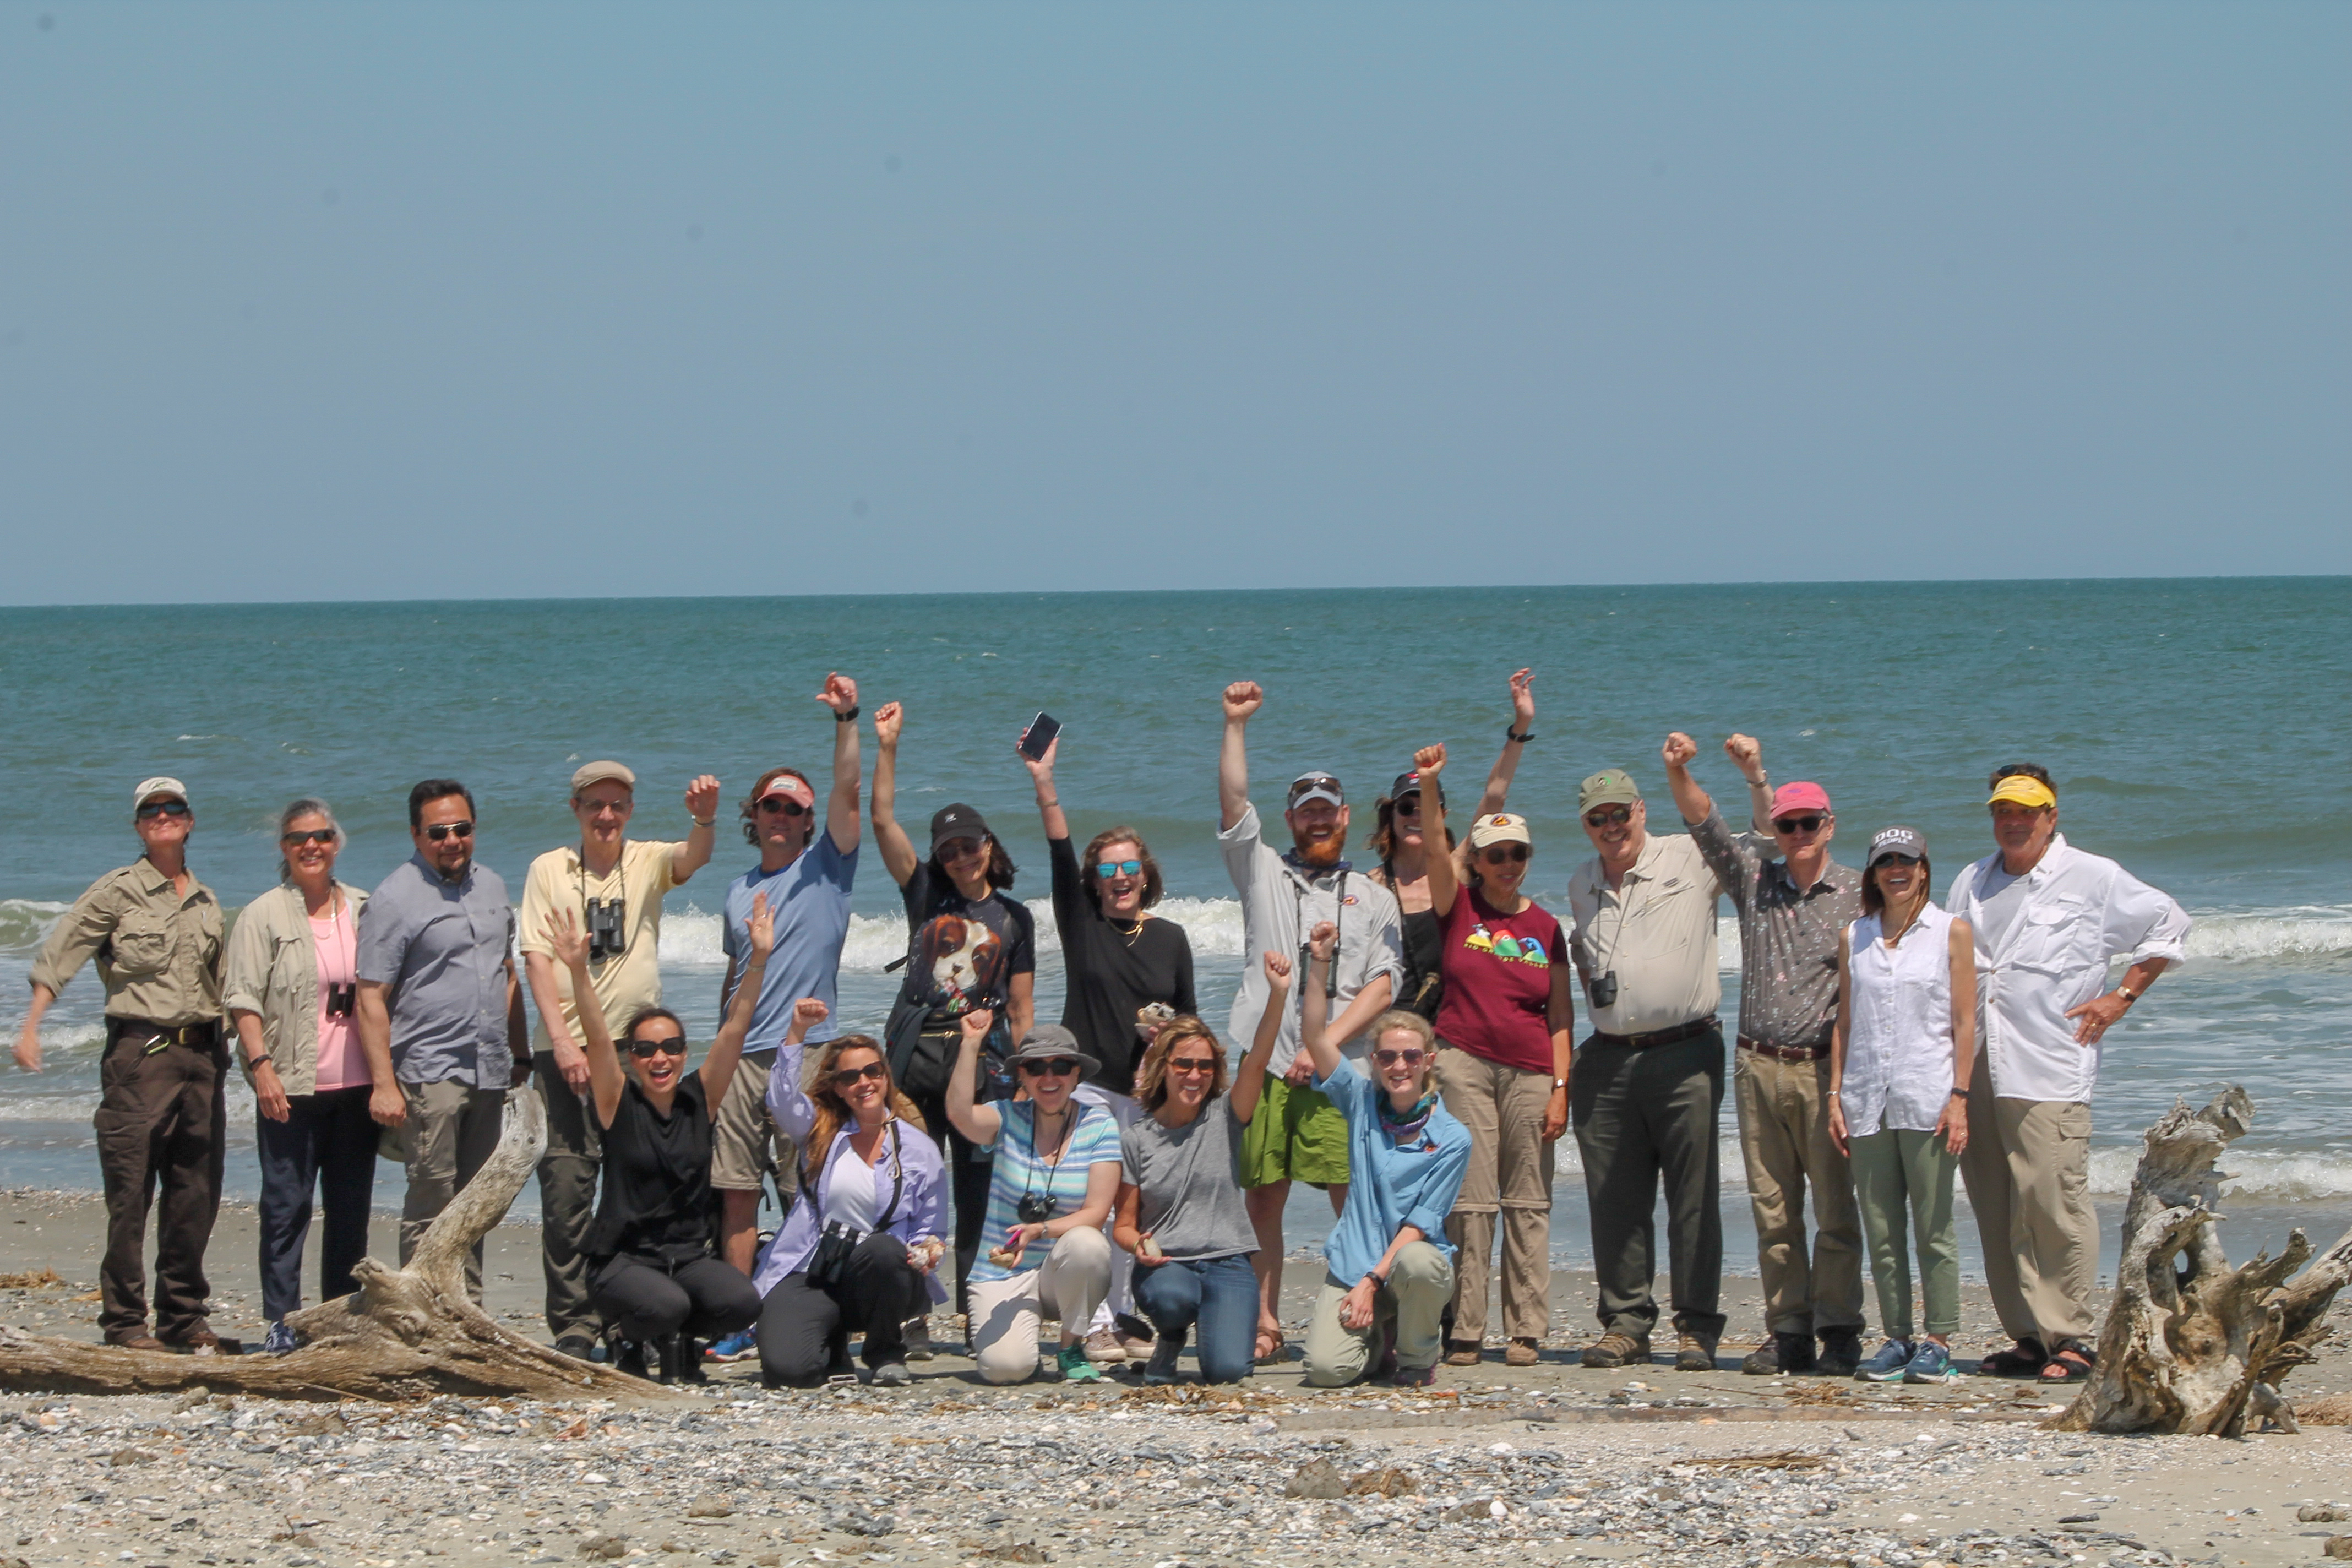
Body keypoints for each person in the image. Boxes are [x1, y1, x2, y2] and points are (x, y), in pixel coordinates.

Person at [1946, 766, 2190, 1384]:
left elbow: (2170, 926)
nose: (2014, 820)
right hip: (1975, 1065)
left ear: (2052, 816)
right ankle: (2027, 1335)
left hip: (2048, 1062)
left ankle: (2072, 1335)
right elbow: (1946, 968)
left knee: (2054, 1199)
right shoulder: (1970, 880)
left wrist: (2122, 997)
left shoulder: (2093, 876)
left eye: (2028, 810)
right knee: (1996, 1202)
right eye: (2004, 809)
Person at [1664, 731, 1866, 1378]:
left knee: (1835, 1210)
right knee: (1773, 1211)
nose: (1799, 832)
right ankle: (1789, 1330)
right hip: (1757, 1065)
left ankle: (1839, 1329)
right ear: (1775, 830)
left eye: (1809, 822)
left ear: (1829, 826)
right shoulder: (1755, 881)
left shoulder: (1859, 894)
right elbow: (1704, 823)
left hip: (1822, 1070)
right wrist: (1678, 771)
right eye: (1788, 824)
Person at [1217, 679, 1405, 1365]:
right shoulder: (1262, 870)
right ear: (1291, 819)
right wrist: (1235, 725)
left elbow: (1385, 985)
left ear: (1347, 817)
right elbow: (1235, 804)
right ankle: (1265, 1322)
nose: (1317, 822)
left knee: (1350, 1195)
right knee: (1261, 1196)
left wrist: (1321, 1044)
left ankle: (1372, 1319)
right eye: (1305, 813)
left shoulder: (1372, 894)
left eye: (1327, 811)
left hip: (1340, 1072)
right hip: (1263, 1060)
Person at [17, 777, 231, 1352]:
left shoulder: (208, 900)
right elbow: (63, 950)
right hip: (141, 1056)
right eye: (150, 811)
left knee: (196, 1192)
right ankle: (125, 1323)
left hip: (203, 1055)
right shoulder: (118, 892)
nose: (163, 816)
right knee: (131, 1190)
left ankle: (183, 1318)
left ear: (190, 821)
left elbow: (225, 983)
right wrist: (32, 1025)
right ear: (139, 826)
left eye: (174, 808)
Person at [517, 760, 721, 1360]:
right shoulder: (548, 870)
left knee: (642, 1193)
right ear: (576, 809)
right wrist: (559, 1040)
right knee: (567, 1190)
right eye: (594, 806)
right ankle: (576, 1324)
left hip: (639, 1062)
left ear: (630, 810)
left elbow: (695, 858)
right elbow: (534, 958)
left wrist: (704, 817)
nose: (606, 816)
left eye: (617, 806)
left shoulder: (647, 860)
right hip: (570, 1056)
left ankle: (634, 1316)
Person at [1021, 727, 1197, 1365]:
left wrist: (1173, 1063)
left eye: (1130, 868)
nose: (1120, 879)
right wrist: (1044, 780)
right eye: (1108, 870)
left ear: (1145, 875)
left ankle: (1123, 1316)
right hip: (1092, 1091)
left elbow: (1190, 1022)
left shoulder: (1172, 937)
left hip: (1149, 1097)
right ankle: (1091, 1323)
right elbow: (1058, 847)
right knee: (1091, 1210)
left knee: (1133, 1211)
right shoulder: (1083, 924)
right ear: (1094, 881)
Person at [703, 672, 864, 1364]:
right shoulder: (737, 890)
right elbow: (734, 979)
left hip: (813, 1054)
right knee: (737, 1193)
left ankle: (814, 1313)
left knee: (814, 1191)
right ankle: (738, 1318)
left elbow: (848, 794)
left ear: (805, 821)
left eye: (791, 809)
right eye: (770, 806)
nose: (780, 816)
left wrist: (847, 721)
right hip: (741, 1058)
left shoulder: (829, 867)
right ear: (756, 814)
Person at [545, 897, 763, 1383]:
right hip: (623, 1262)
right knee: (667, 1304)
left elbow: (736, 1028)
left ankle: (680, 1342)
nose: (659, 1058)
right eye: (645, 1050)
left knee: (742, 1301)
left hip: (686, 1257)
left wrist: (759, 959)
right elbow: (599, 1039)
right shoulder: (617, 1102)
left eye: (670, 1048)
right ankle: (626, 1335)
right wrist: (579, 971)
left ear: (685, 1054)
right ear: (633, 1058)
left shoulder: (700, 1099)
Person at [871, 699, 1036, 1330]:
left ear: (988, 846)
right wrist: (887, 744)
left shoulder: (1015, 918)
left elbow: (1021, 1007)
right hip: (916, 1054)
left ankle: (975, 1307)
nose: (960, 857)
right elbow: (883, 817)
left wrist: (1024, 1075)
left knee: (977, 1186)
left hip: (980, 1061)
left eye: (969, 846)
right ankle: (907, 1308)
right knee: (910, 1182)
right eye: (949, 850)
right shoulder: (925, 892)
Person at [1564, 753, 1730, 1373]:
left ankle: (1696, 1326)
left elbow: (1751, 838)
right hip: (1608, 1060)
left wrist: (1688, 773)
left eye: (1620, 813)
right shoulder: (1581, 884)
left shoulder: (1690, 857)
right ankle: (1626, 1323)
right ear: (1586, 826)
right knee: (1615, 1200)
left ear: (1642, 810)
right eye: (1597, 818)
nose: (1611, 826)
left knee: (1693, 1198)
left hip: (1686, 1052)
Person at [1409, 744, 1574, 1371]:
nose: (1508, 863)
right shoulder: (1460, 907)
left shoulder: (1547, 927)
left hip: (1532, 1072)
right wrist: (1430, 785)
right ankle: (1468, 1328)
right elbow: (1429, 842)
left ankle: (1527, 1329)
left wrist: (1562, 1086)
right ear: (1476, 860)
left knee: (1528, 1201)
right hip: (1463, 1063)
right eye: (1496, 854)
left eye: (1518, 854)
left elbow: (1561, 1016)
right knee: (1472, 1203)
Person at [356, 778, 529, 1304]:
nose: (451, 840)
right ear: (415, 834)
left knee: (475, 1203)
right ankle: (422, 1316)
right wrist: (384, 1084)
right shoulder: (394, 898)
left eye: (462, 829)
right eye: (438, 832)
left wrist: (519, 1055)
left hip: (489, 1069)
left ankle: (467, 1311)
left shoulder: (494, 888)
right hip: (430, 1073)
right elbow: (370, 997)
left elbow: (508, 974)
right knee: (432, 1202)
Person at [223, 798, 374, 1355]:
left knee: (350, 1212)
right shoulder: (263, 914)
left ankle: (339, 1318)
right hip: (290, 1087)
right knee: (285, 1208)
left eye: (320, 836)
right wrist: (262, 1068)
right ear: (283, 849)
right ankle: (281, 1322)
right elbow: (242, 999)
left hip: (357, 1089)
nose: (311, 846)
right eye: (297, 838)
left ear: (336, 842)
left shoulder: (363, 907)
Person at [1829, 828, 1977, 1385]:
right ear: (1871, 873)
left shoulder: (1951, 932)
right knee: (1881, 1227)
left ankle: (1938, 1339)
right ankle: (1896, 1336)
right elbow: (1845, 1021)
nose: (1897, 869)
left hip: (1929, 1096)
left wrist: (1960, 1097)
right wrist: (1835, 1096)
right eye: (1885, 861)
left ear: (1923, 868)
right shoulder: (1856, 935)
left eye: (1907, 861)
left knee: (1933, 1225)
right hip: (1867, 1099)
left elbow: (1966, 1022)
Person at [1295, 923, 1472, 1388]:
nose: (1399, 1066)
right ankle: (1377, 1342)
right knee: (1326, 1372)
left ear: (1428, 1061)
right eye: (1388, 1057)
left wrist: (1373, 1282)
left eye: (1411, 1056)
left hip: (1406, 1268)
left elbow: (1420, 1224)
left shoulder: (1453, 1137)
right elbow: (1316, 1035)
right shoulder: (1358, 1101)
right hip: (1354, 1262)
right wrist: (1320, 963)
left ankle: (1416, 1358)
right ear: (1373, 1061)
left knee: (1418, 1261)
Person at [752, 1002, 947, 1388]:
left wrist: (929, 1250)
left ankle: (886, 1353)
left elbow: (931, 1227)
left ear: (885, 1077)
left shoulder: (919, 1148)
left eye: (873, 1071)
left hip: (877, 1277)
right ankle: (832, 1343)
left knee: (885, 1250)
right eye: (851, 1076)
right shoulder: (819, 1132)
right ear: (838, 1088)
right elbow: (781, 1099)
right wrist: (796, 1032)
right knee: (789, 1370)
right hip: (813, 1266)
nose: (864, 1083)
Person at [949, 1013, 1123, 1385]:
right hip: (1004, 1268)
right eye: (1036, 1068)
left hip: (1065, 1269)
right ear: (1022, 1076)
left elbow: (1097, 1212)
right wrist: (970, 1044)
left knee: (1088, 1245)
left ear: (1076, 1075)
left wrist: (1041, 1230)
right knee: (1006, 1370)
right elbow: (959, 1114)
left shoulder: (1100, 1125)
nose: (1049, 1078)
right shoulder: (1006, 1116)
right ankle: (1023, 1346)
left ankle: (1071, 1347)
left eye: (1060, 1066)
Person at [1112, 1001, 1280, 1385]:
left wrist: (1279, 993)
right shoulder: (1137, 1139)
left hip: (1228, 1262)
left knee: (1227, 1372)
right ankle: (1171, 1337)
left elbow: (1258, 1060)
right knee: (1173, 1301)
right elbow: (1123, 1225)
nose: (1195, 1075)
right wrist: (1137, 1244)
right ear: (1163, 1066)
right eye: (1184, 1064)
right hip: (1167, 1265)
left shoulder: (1225, 1115)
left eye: (1205, 1066)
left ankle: (1218, 1327)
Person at [1369, 669, 1538, 1022]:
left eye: (1423, 807)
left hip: (1453, 1022)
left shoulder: (1458, 868)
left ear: (1439, 814)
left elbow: (1495, 795)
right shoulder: (1371, 885)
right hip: (1394, 1026)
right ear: (1391, 814)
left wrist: (1521, 725)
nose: (1415, 815)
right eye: (1405, 807)